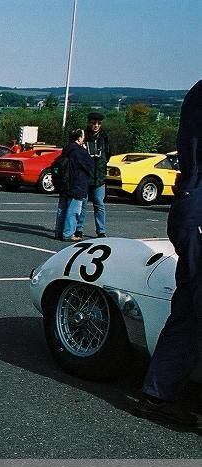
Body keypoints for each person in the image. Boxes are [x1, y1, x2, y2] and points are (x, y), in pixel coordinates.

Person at [134, 78, 202, 428]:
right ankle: (158, 393)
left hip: (191, 207)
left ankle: (158, 394)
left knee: (188, 311)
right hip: (198, 209)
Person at [55, 128, 94, 241]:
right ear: (79, 138)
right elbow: (89, 165)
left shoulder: (66, 150)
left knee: (62, 208)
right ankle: (68, 233)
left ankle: (59, 232)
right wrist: (86, 151)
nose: (84, 138)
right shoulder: (79, 151)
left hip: (64, 183)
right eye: (82, 136)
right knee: (73, 210)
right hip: (77, 183)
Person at [77, 111, 110, 238]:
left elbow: (108, 153)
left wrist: (102, 164)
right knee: (83, 203)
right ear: (89, 123)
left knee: (99, 203)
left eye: (98, 123)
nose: (96, 125)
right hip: (85, 175)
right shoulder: (83, 136)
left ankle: (101, 231)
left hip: (99, 175)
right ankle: (79, 229)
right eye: (93, 123)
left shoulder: (104, 137)